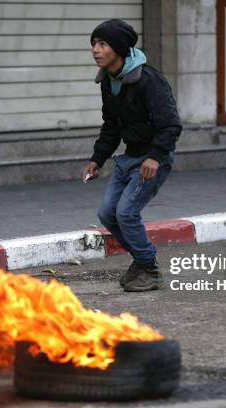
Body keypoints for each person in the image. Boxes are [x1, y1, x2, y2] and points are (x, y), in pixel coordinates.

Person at [81, 19, 182, 292]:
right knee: (107, 213)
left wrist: (155, 157)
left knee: (126, 212)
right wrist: (97, 159)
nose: (95, 50)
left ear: (119, 48)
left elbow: (171, 124)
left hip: (152, 160)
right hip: (128, 158)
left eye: (102, 44)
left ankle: (149, 268)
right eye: (93, 44)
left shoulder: (149, 80)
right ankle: (141, 260)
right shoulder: (108, 81)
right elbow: (111, 127)